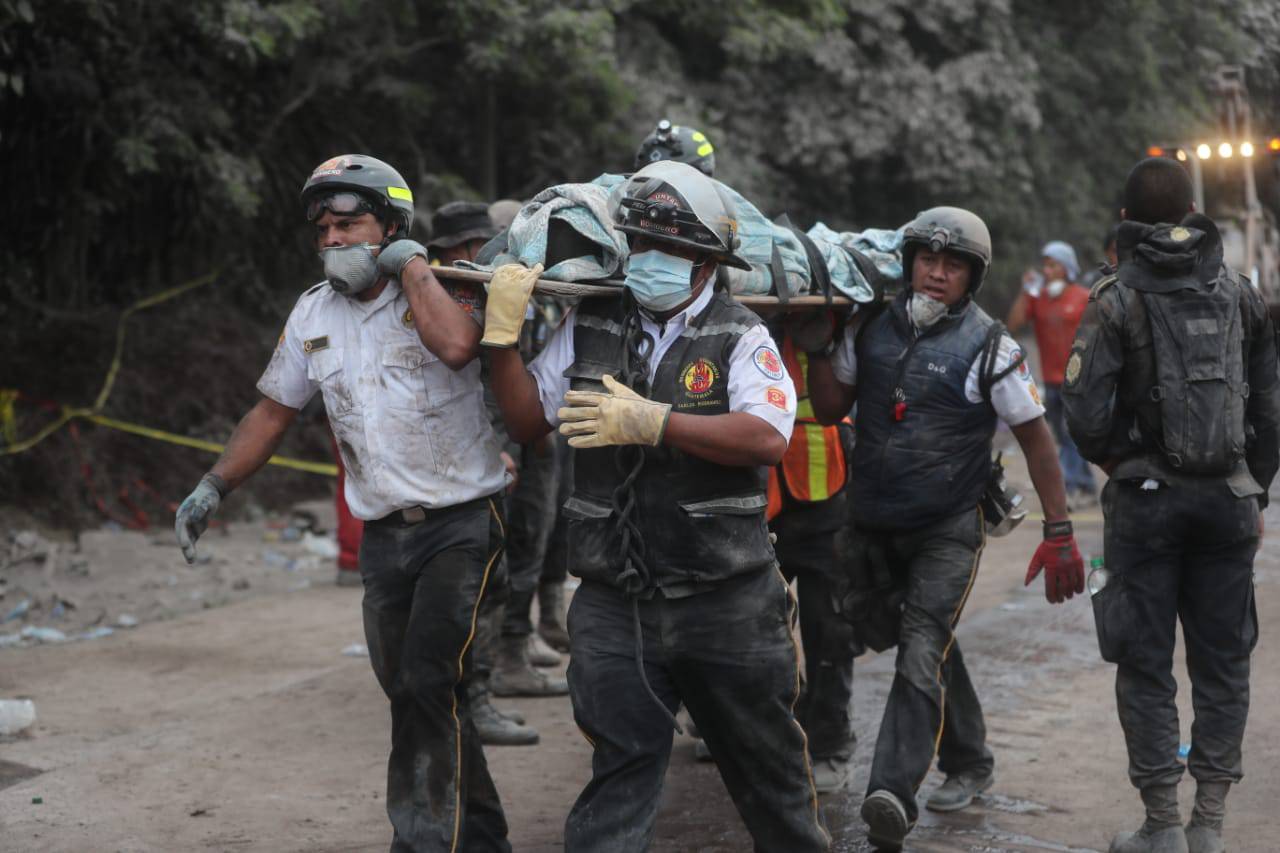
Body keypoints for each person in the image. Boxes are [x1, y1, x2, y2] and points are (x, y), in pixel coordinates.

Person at [483, 159, 831, 851]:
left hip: (726, 601)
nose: (651, 260)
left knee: (773, 783)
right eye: (640, 244)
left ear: (705, 262)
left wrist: (655, 421)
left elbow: (766, 436)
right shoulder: (591, 323)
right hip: (616, 602)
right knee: (618, 778)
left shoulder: (742, 335)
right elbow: (528, 423)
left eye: (669, 249)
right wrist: (501, 343)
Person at [173, 155, 512, 853]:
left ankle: (419, 841)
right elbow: (271, 412)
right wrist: (214, 486)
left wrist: (412, 265)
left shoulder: (443, 291)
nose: (332, 239)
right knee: (419, 694)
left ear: (389, 226)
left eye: (349, 224)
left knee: (425, 684)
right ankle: (482, 838)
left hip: (462, 524)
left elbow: (455, 346)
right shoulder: (312, 313)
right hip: (384, 536)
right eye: (322, 227)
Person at [805, 206, 1085, 852]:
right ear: (909, 265)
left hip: (948, 528)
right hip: (870, 524)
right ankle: (970, 756)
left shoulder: (993, 346)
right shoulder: (869, 326)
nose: (936, 273)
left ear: (972, 276)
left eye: (952, 264)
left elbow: (1039, 441)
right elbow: (827, 406)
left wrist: (1060, 528)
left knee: (920, 647)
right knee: (900, 635)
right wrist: (819, 343)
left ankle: (890, 794)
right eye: (927, 260)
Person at [1063, 157, 1280, 853]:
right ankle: (1209, 824)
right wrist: (1257, 488)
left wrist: (1125, 465)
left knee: (1144, 660)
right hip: (1228, 505)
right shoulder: (1241, 292)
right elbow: (1271, 411)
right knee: (1223, 664)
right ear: (1192, 210)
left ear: (1124, 220)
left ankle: (1161, 826)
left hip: (1146, 506)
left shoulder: (1114, 297)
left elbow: (1085, 416)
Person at [1007, 240, 1098, 506]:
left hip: (1078, 380)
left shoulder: (1083, 297)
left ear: (1067, 268)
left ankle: (1069, 487)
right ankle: (1088, 485)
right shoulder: (1039, 299)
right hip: (1049, 380)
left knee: (1069, 434)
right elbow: (1013, 324)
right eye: (1045, 265)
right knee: (1061, 434)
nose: (1047, 271)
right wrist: (1025, 292)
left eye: (1053, 265)